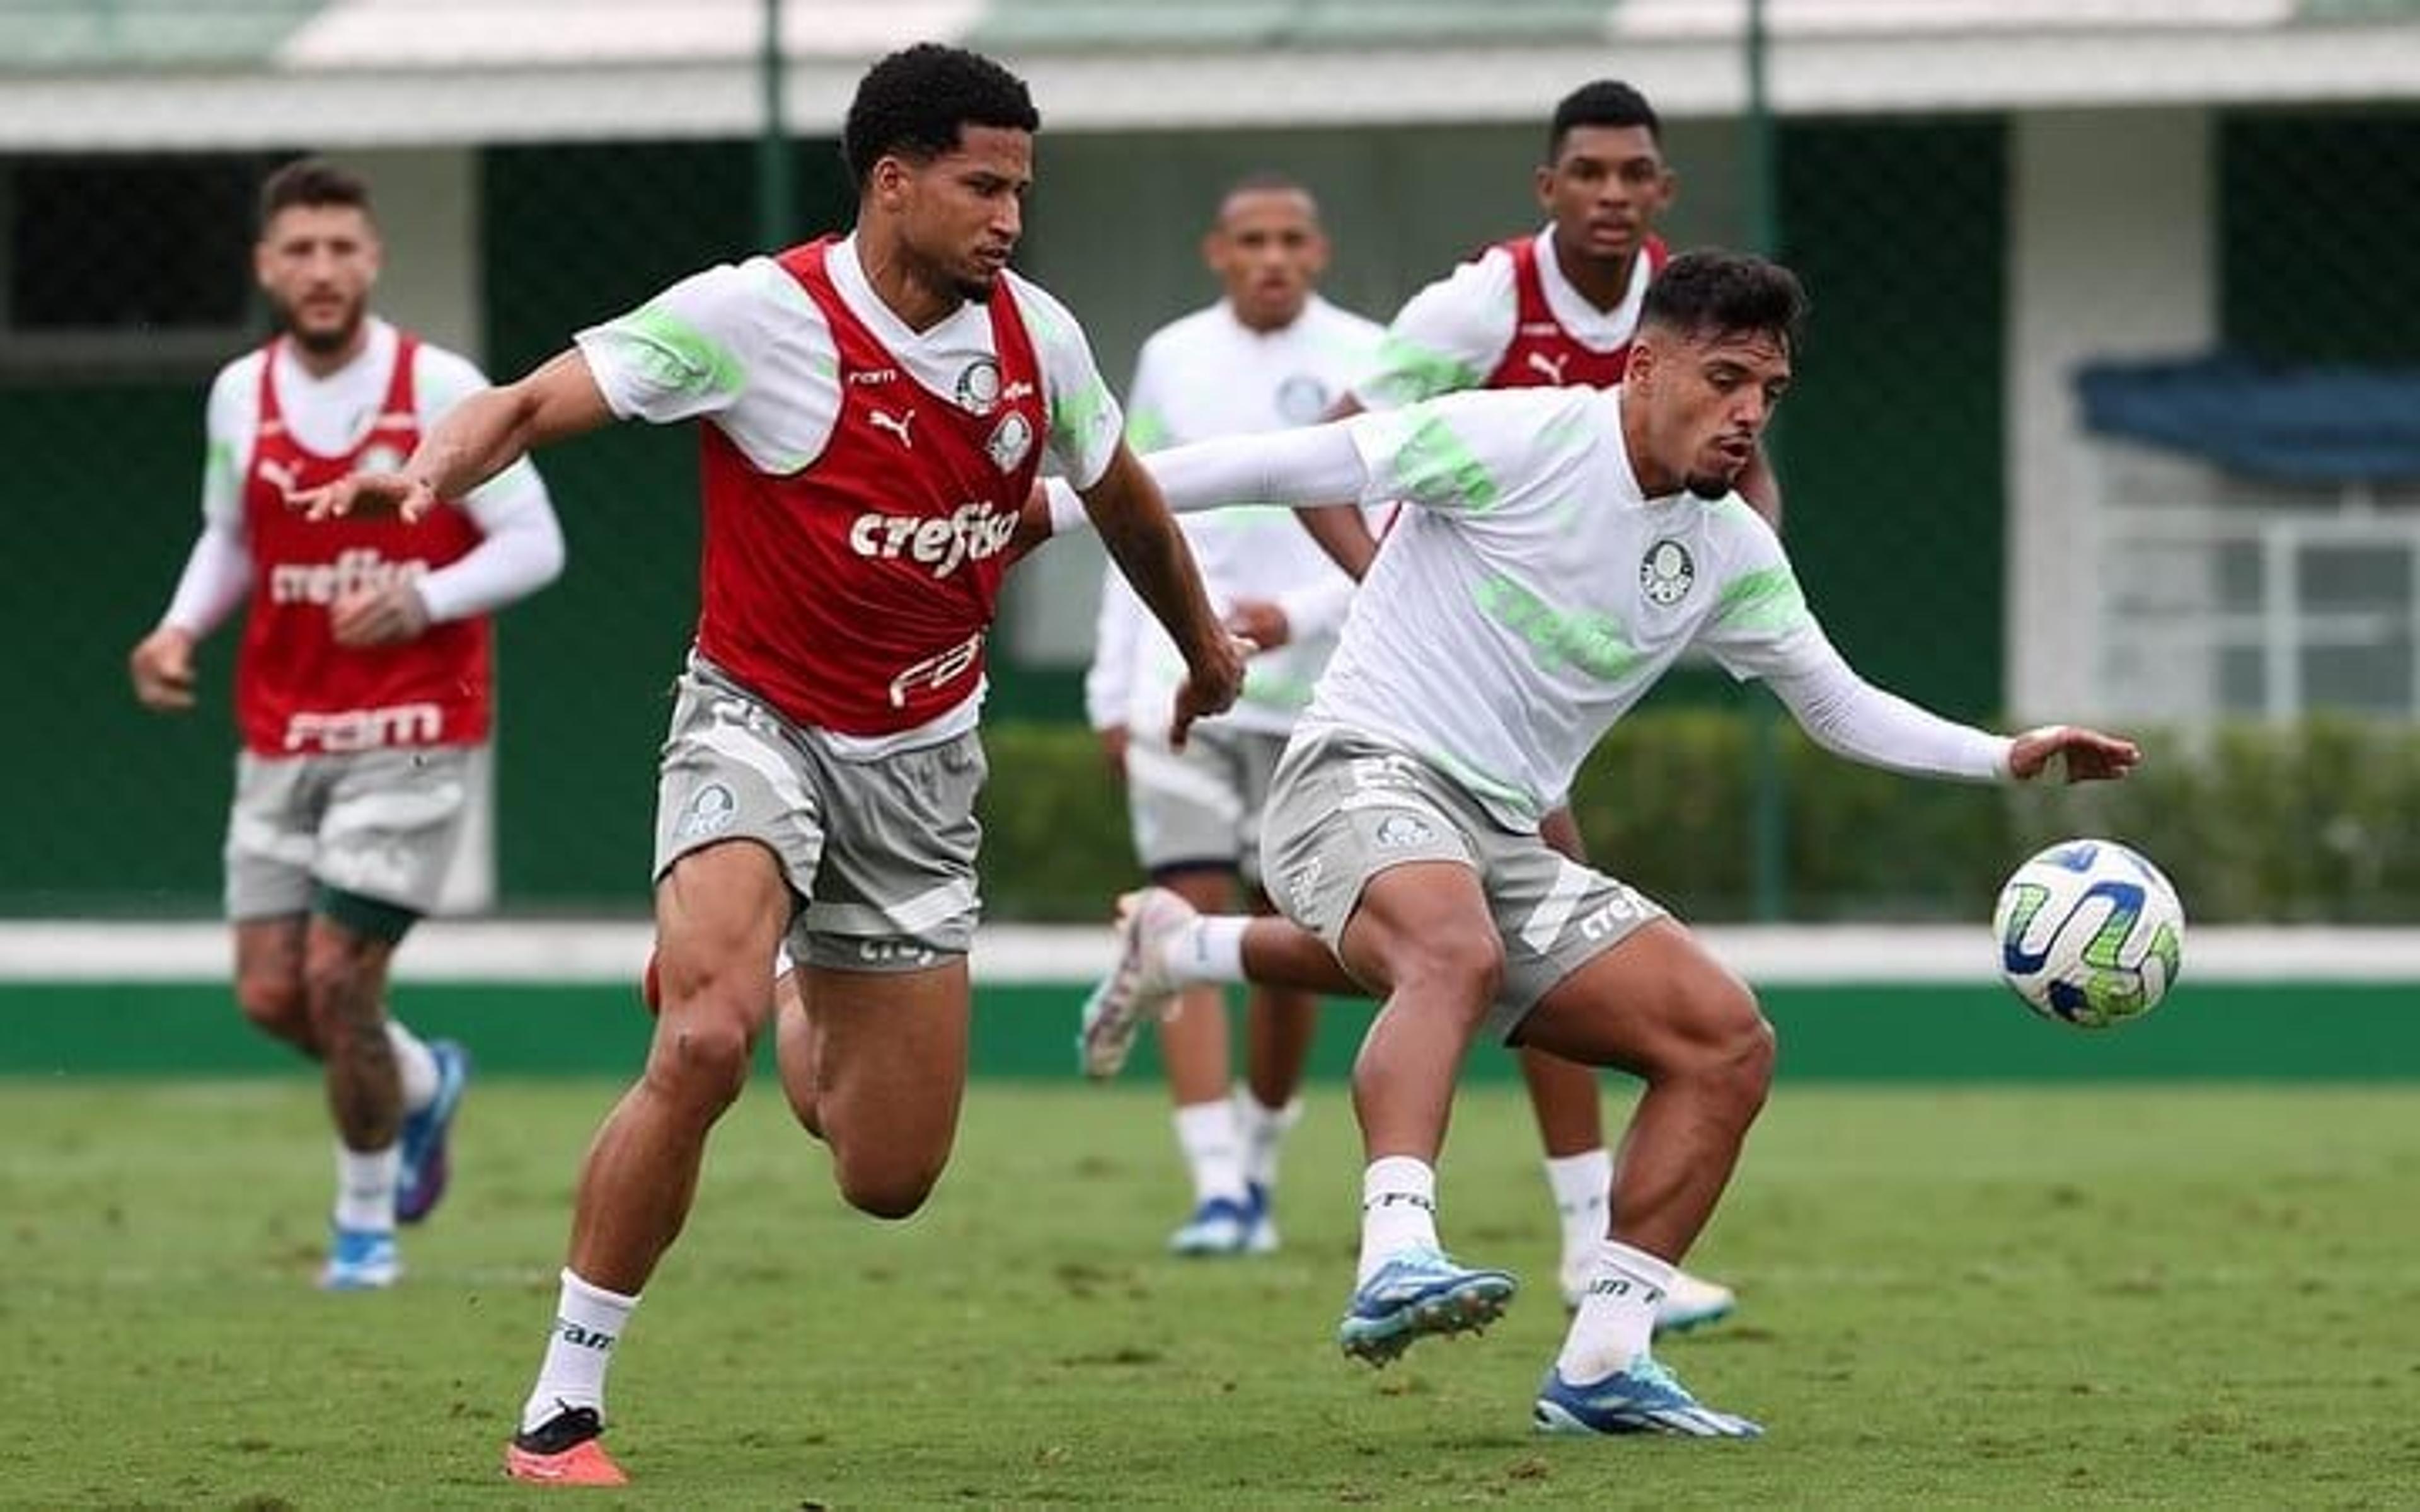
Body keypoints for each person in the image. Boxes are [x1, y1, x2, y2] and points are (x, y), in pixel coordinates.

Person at [297, 44, 1242, 1487]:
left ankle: (783, 967)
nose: (1008, 217)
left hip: (922, 772)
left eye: (1022, 191)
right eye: (983, 187)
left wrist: (1207, 653)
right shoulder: (753, 313)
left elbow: (1128, 506)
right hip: (755, 722)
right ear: (893, 181)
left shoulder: (1038, 340)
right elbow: (531, 402)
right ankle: (561, 1409)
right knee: (699, 1040)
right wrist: (429, 479)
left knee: (886, 1174)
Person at [1052, 249, 2139, 1436]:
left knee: (1725, 1044)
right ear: (1644, 364)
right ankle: (1396, 1251)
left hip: (1499, 837)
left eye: (1768, 395)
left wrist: (2002, 756)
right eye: (1725, 381)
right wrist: (1057, 503)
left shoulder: (1728, 551)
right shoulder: (1519, 438)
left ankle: (1606, 1359)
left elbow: (1835, 702)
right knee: (1449, 952)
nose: (1747, 417)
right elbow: (1282, 461)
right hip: (1358, 768)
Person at [1085, 78, 1747, 1332]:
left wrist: (1728, 591)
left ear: (1663, 191)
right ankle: (1316, 1201)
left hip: (1514, 694)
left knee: (1443, 943)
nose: (1612, 195)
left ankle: (1187, 955)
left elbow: (1734, 489)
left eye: (1635, 175)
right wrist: (1380, 608)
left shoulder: (1690, 315)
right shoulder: (1472, 303)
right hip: (1370, 695)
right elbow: (1301, 473)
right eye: (1588, 173)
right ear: (1549, 187)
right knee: (1492, 936)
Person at [127, 158, 565, 1293]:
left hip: (416, 723)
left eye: (341, 248)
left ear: (373, 258)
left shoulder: (440, 385)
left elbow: (534, 542)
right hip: (282, 722)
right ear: (267, 269)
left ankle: (363, 1231)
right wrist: (178, 631)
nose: (321, 271)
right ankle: (425, 1083)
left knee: (335, 979)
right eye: (299, 251)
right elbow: (232, 534)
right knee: (270, 993)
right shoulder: (241, 395)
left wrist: (425, 597)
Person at [1076, 174, 1383, 1256]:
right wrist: (1113, 689)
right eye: (1251, 239)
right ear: (1217, 251)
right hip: (1184, 692)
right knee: (1182, 910)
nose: (1271, 257)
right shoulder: (1171, 357)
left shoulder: (1372, 355)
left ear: (1320, 251)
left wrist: (1296, 615)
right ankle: (1215, 1188)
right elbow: (1133, 519)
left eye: (1291, 239)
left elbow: (1399, 542)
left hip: (1324, 698)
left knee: (1291, 936)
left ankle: (1259, 1157)